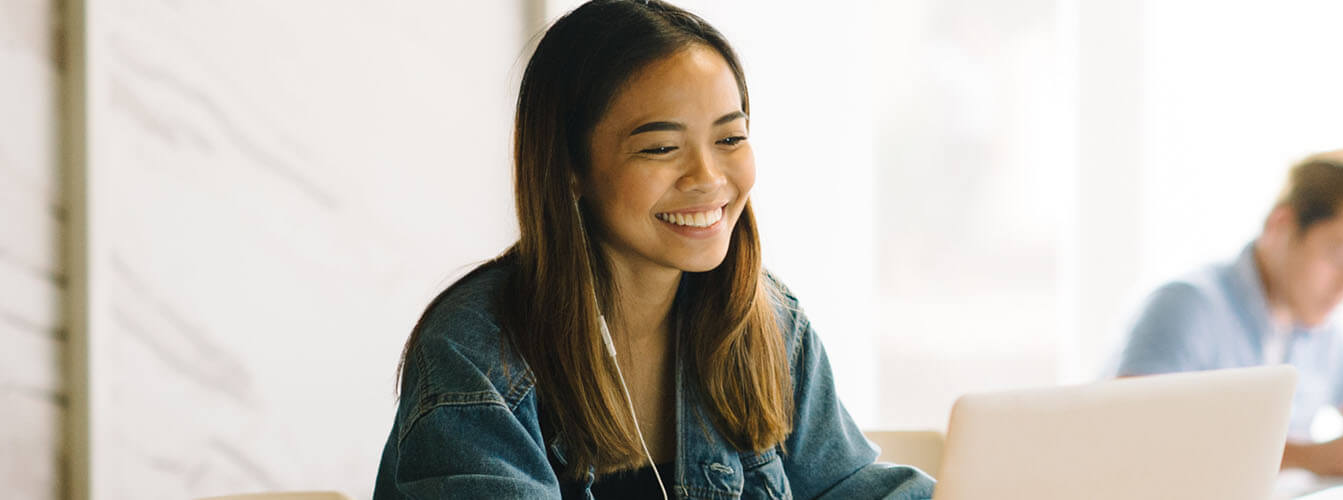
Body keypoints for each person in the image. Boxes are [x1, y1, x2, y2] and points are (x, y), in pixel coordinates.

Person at [371, 1, 933, 498]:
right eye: (662, 147)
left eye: (730, 138)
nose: (709, 178)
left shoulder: (768, 321)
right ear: (569, 169)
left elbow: (847, 486)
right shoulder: (473, 354)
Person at [1115, 150, 1343, 478]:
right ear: (1280, 225)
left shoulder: (1320, 329)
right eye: (1337, 258)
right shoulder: (1188, 306)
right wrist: (1311, 457)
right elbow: (1132, 435)